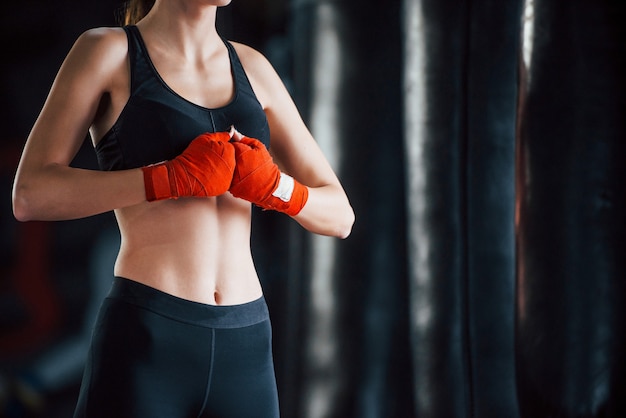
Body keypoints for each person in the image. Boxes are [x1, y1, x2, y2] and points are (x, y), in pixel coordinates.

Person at [11, 0, 355, 416]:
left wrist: (275, 187)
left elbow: (340, 216)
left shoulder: (253, 66)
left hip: (246, 343)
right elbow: (30, 194)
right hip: (151, 335)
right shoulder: (108, 51)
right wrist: (166, 178)